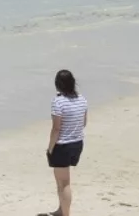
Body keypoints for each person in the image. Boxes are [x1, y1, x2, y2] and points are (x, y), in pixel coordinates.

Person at [46, 69, 88, 216]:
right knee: (62, 182)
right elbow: (83, 123)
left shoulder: (58, 102)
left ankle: (66, 214)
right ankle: (61, 210)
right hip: (77, 143)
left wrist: (50, 148)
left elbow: (56, 128)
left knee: (63, 183)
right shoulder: (82, 99)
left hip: (62, 145)